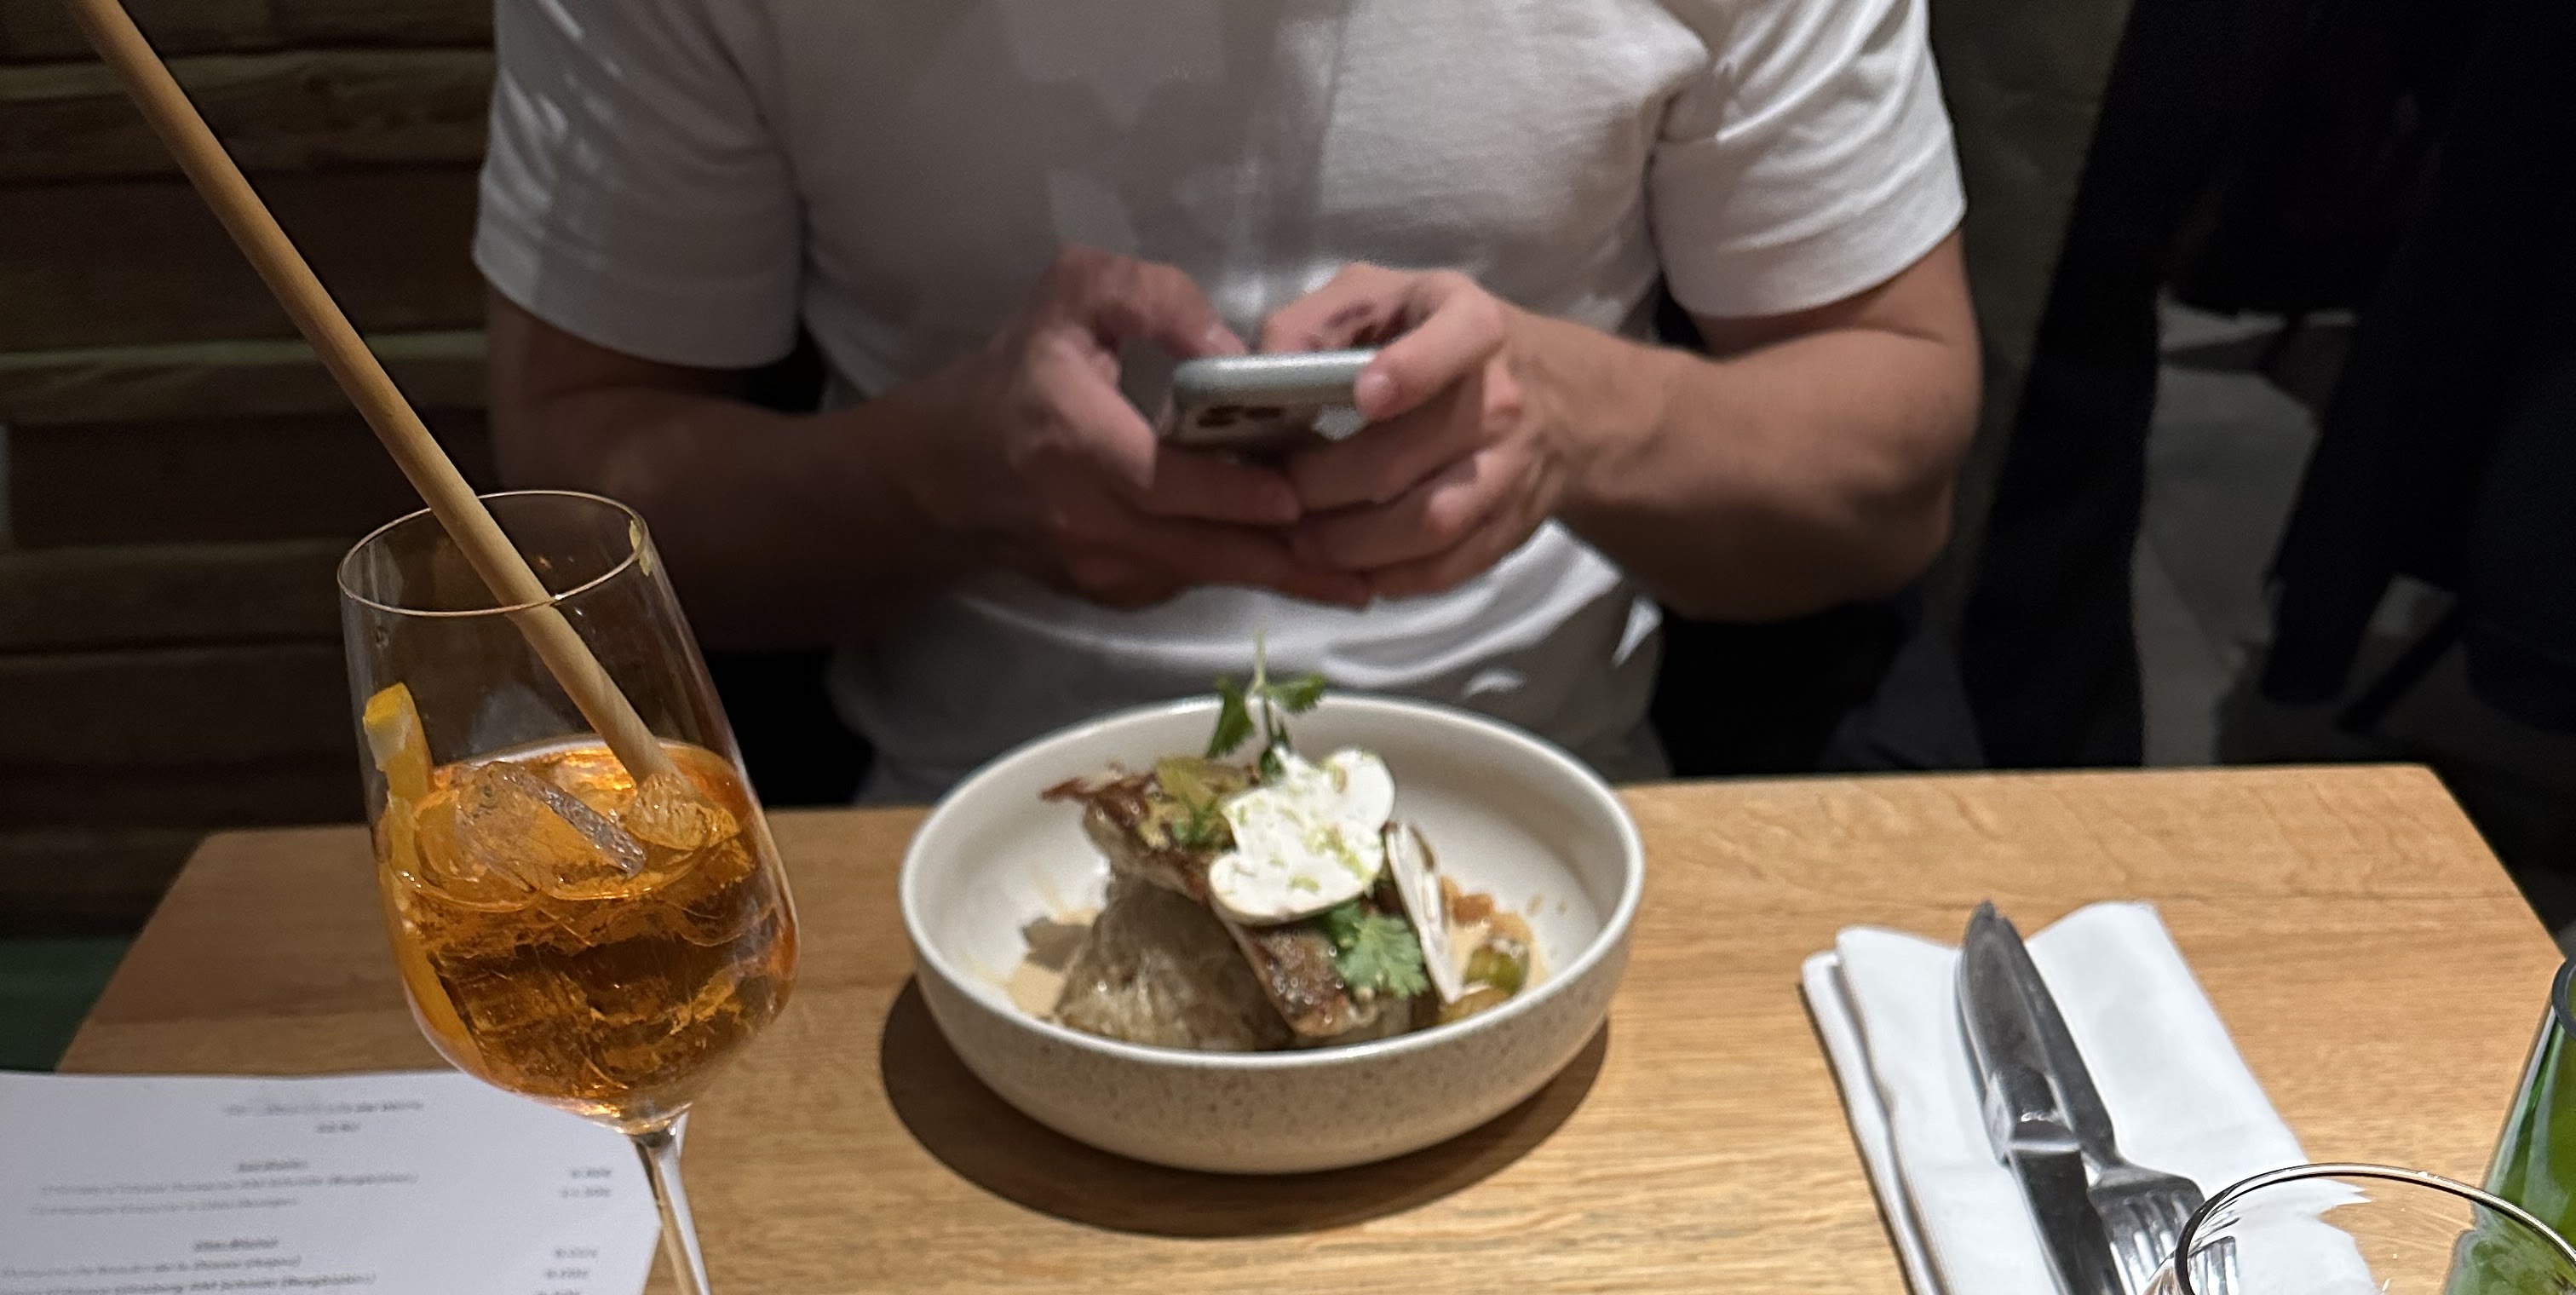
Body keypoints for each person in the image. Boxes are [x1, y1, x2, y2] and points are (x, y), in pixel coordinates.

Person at [476, 1, 1979, 797]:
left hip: (1563, 806)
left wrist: (1571, 422)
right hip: (941, 839)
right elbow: (565, 496)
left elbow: (1895, 469)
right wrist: (938, 485)